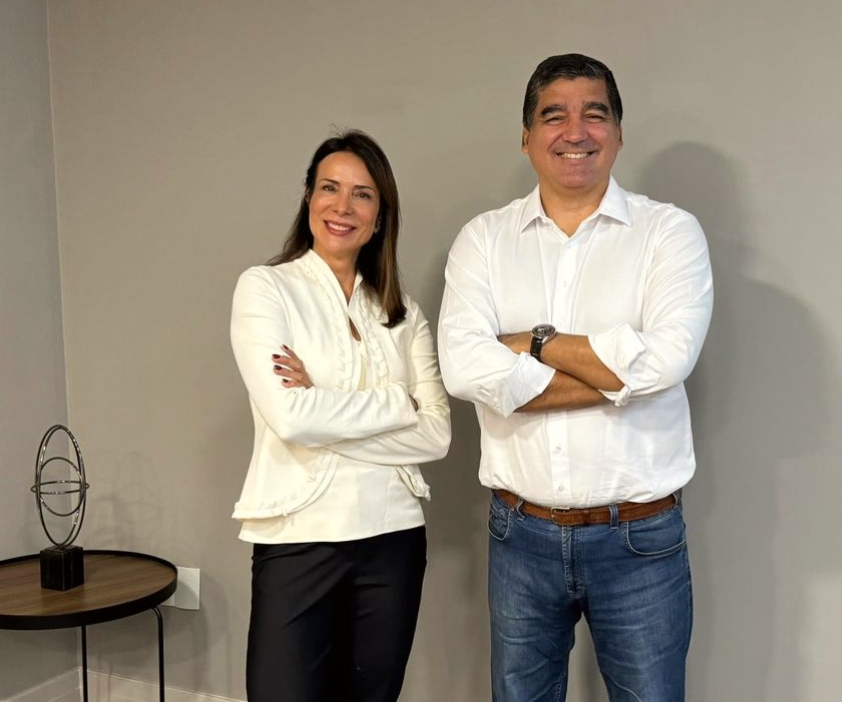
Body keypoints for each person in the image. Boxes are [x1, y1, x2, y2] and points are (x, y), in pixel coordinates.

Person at [437, 54, 713, 701]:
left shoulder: (668, 234)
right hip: (520, 537)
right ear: (527, 136)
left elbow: (669, 360)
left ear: (618, 132)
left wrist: (534, 343)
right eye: (554, 115)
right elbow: (464, 368)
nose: (576, 131)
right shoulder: (484, 240)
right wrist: (620, 375)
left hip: (640, 539)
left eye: (595, 114)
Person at [230, 129, 451, 702]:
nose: (343, 207)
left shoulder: (404, 314)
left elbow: (436, 435)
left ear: (380, 216)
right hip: (297, 537)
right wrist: (396, 404)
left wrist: (321, 408)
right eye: (330, 188)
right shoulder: (266, 289)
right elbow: (290, 418)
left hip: (394, 538)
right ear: (309, 197)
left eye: (363, 194)